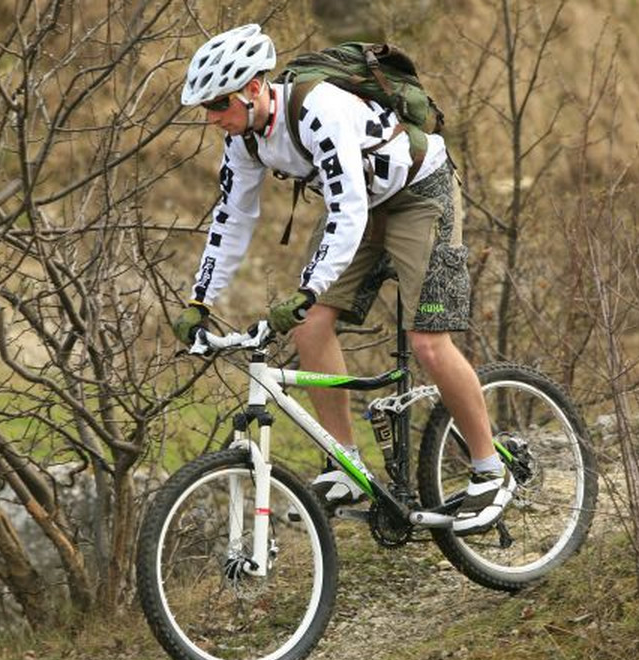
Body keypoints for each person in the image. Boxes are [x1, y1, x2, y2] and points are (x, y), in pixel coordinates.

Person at [171, 24, 513, 536]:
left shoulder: (317, 109)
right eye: (207, 110)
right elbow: (231, 218)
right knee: (310, 328)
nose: (214, 117)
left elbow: (347, 206)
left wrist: (309, 288)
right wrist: (200, 299)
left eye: (219, 104)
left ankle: (491, 470)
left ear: (254, 88)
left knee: (429, 344)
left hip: (420, 192)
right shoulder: (243, 140)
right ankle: (345, 464)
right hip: (362, 207)